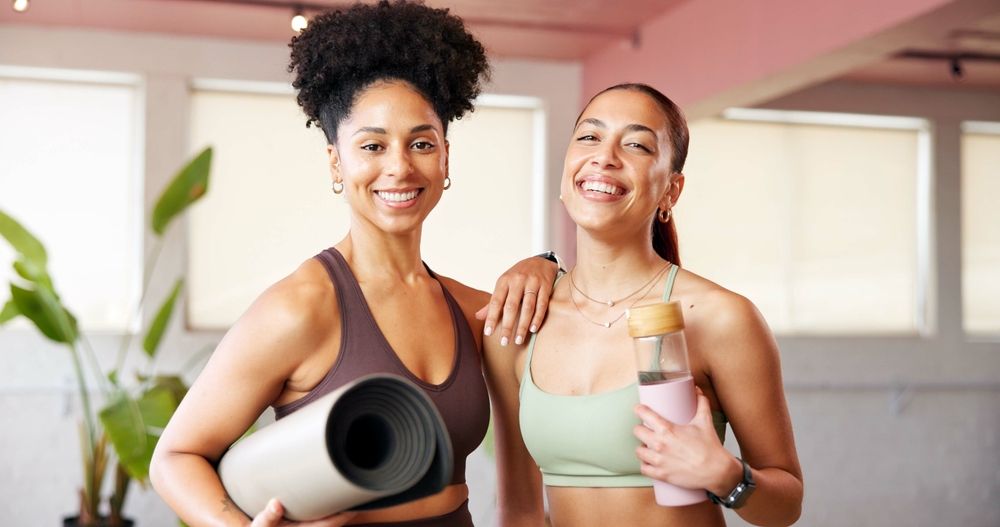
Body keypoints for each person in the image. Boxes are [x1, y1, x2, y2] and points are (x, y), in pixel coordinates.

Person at [149, 2, 557, 526]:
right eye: (372, 145)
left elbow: (579, 309)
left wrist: (544, 266)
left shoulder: (470, 308)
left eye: (421, 143)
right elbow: (176, 458)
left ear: (446, 157)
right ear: (336, 161)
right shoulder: (301, 307)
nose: (399, 166)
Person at [484, 83, 804, 527]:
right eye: (589, 137)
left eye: (636, 144)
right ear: (566, 171)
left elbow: (786, 503)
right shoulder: (522, 317)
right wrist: (540, 263)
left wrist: (725, 474)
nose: (605, 156)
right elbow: (518, 508)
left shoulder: (719, 317)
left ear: (671, 191)